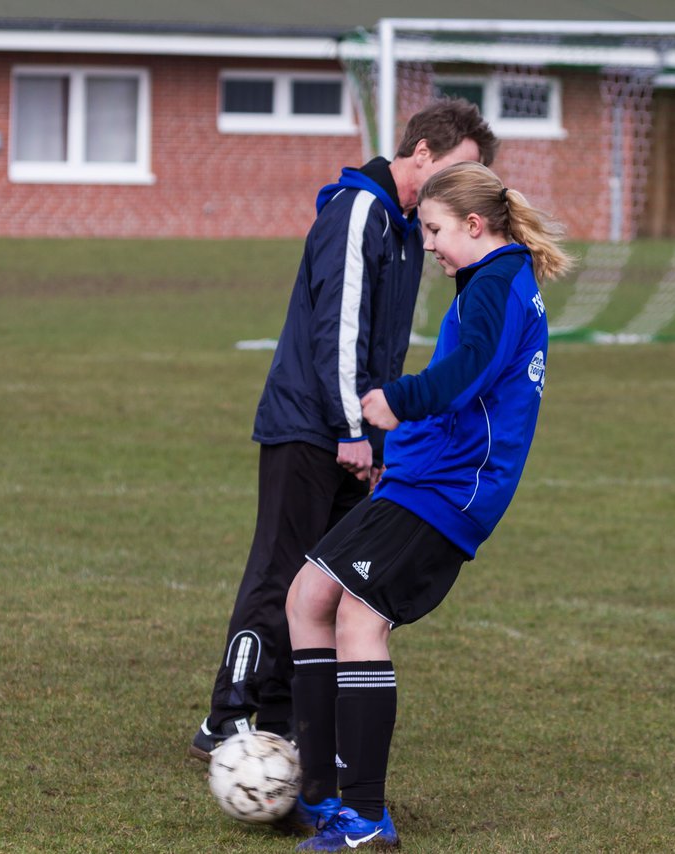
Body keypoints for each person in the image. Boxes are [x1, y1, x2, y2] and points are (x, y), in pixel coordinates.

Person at [190, 102, 499, 763]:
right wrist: (353, 427)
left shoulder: (410, 228)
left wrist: (380, 442)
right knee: (280, 572)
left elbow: (384, 353)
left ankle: (279, 718)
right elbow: (339, 332)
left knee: (322, 580)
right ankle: (229, 715)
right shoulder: (360, 210)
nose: (464, 183)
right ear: (422, 151)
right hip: (310, 425)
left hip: (356, 436)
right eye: (459, 167)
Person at [283, 161, 574, 850]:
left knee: (358, 616)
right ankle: (319, 793)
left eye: (437, 230)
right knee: (307, 596)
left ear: (476, 225)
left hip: (449, 494)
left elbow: (466, 372)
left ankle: (363, 817)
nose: (432, 245)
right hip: (424, 481)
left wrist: (398, 400)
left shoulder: (498, 287)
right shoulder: (492, 281)